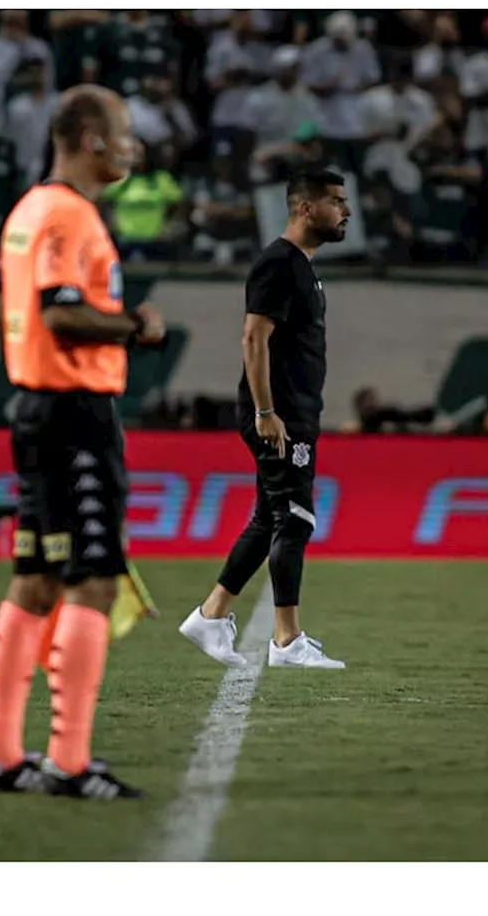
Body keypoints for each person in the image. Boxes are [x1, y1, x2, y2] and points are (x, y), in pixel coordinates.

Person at [0, 84, 166, 799]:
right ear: (90, 141)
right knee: (92, 577)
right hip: (72, 412)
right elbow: (62, 314)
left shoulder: (28, 210)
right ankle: (70, 762)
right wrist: (135, 327)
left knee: (36, 576)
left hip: (40, 407)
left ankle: (0, 754)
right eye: (123, 134)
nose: (132, 147)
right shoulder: (66, 215)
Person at [178, 169, 349, 670]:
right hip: (279, 416)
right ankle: (287, 640)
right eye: (336, 201)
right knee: (295, 519)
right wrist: (266, 411)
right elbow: (254, 338)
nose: (346, 212)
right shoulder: (278, 264)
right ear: (305, 208)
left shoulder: (303, 268)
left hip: (293, 413)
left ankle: (210, 617)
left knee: (268, 518)